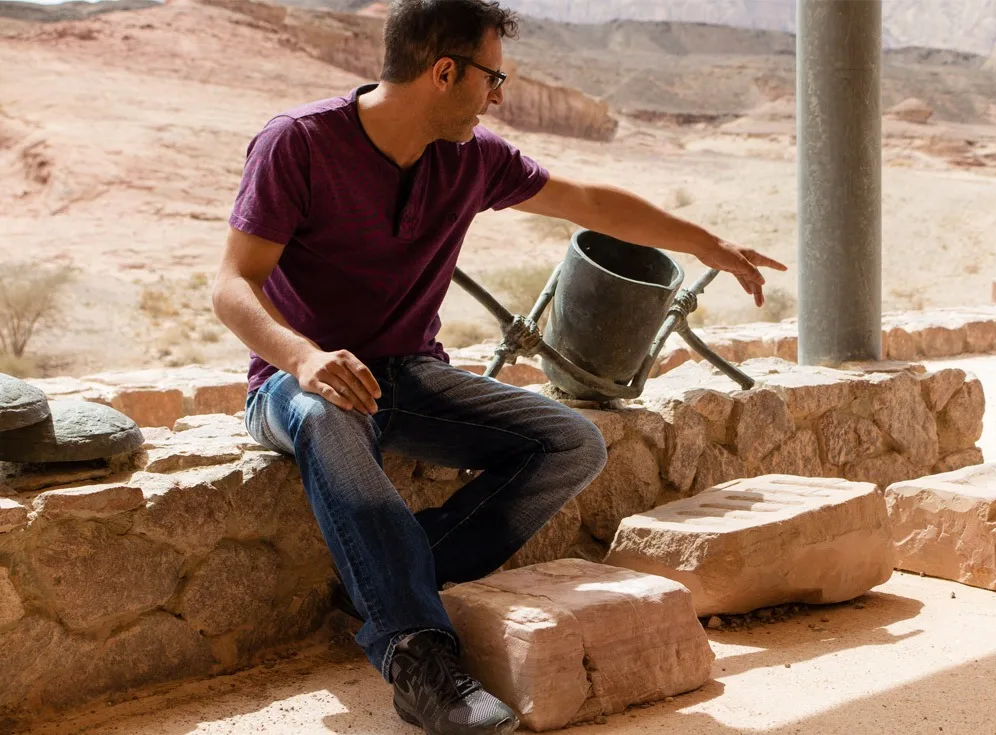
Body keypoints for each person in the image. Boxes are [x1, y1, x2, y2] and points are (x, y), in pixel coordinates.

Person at [212, 1, 786, 733]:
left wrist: (704, 243)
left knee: (572, 442)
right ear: (443, 71)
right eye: (493, 77)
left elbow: (584, 200)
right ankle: (417, 656)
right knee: (331, 410)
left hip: (408, 377)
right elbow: (233, 283)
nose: (499, 96)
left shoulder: (473, 158)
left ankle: (393, 579)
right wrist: (305, 357)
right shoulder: (298, 143)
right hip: (294, 386)